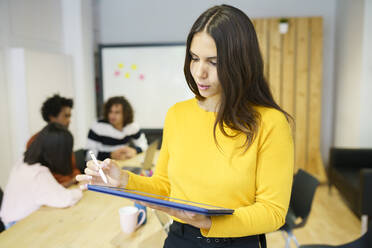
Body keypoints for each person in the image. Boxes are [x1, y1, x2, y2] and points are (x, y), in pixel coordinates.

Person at [77, 5, 293, 248]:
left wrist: (209, 222)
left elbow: (273, 211)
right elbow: (165, 186)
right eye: (194, 58)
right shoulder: (178, 114)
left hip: (237, 242)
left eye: (214, 62)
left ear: (240, 62)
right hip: (180, 239)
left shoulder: (270, 123)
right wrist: (124, 179)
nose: (199, 72)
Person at [1, 123, 83, 229]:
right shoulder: (39, 173)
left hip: (13, 220)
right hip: (18, 226)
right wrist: (81, 189)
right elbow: (65, 200)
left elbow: (53, 191)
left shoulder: (24, 163)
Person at [26, 94, 80, 187]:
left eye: (70, 116)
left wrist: (77, 177)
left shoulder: (64, 138)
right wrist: (71, 181)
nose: (69, 120)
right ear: (52, 117)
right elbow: (44, 177)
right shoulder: (35, 141)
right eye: (66, 116)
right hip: (54, 190)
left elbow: (73, 167)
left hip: (71, 186)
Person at [86, 96, 148, 161]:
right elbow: (88, 154)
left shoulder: (132, 126)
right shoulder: (98, 126)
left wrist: (135, 150)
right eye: (110, 112)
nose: (112, 116)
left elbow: (144, 144)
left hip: (123, 163)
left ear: (125, 114)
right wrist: (110, 155)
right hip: (103, 165)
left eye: (117, 112)